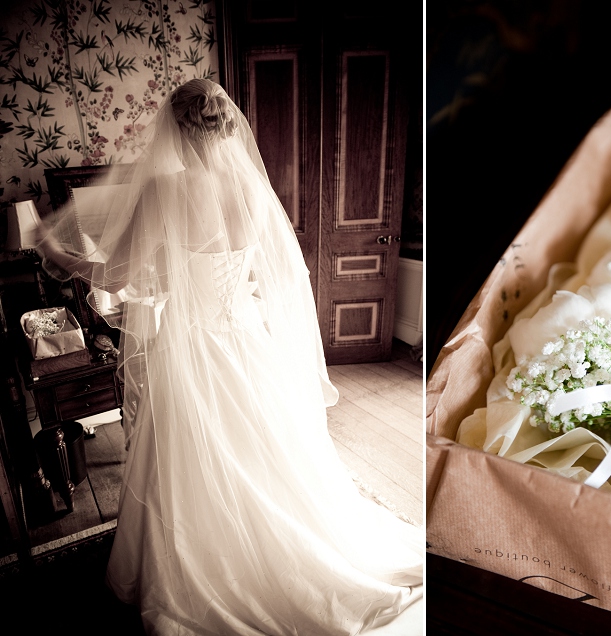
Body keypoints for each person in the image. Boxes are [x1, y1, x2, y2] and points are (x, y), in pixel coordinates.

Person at [35, 78, 422, 635]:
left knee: (189, 455)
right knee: (269, 454)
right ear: (224, 124)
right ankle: (281, 546)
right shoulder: (252, 191)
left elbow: (114, 275)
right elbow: (269, 276)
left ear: (175, 128)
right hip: (247, 340)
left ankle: (212, 566)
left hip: (192, 348)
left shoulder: (165, 190)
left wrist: (54, 250)